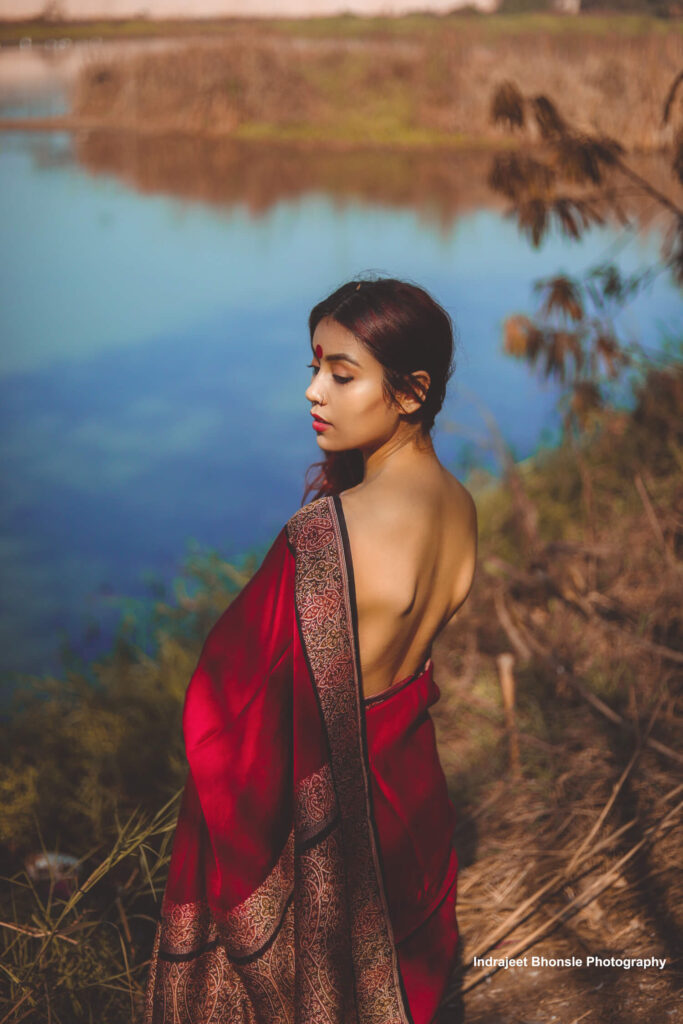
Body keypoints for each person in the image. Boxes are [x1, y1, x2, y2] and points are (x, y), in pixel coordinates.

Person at [143, 277, 478, 1024]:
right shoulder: (459, 505)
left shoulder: (323, 537)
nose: (313, 393)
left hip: (340, 826)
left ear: (410, 391)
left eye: (341, 374)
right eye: (313, 369)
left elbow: (224, 703)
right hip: (412, 802)